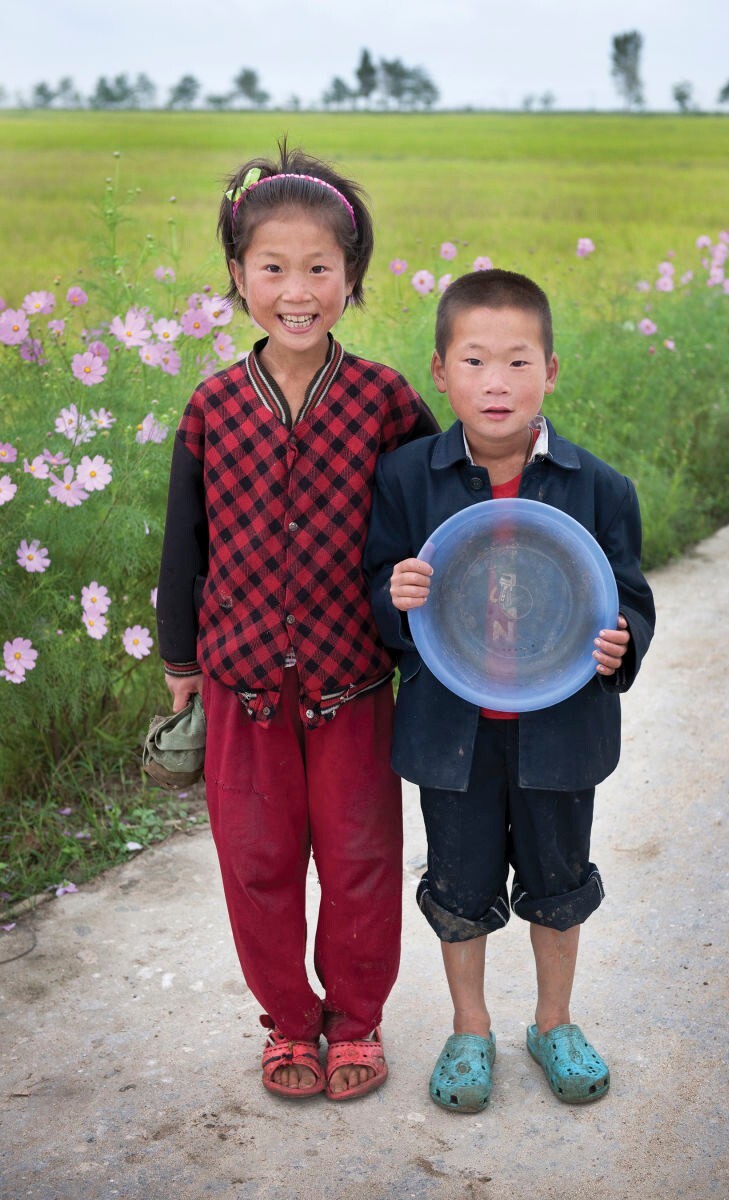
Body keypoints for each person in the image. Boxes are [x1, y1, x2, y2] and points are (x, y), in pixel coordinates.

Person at [156, 143, 438, 1102]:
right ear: (237, 278)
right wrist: (180, 659)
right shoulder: (212, 406)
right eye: (272, 267)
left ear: (351, 277)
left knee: (360, 860)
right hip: (241, 685)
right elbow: (182, 542)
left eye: (320, 267)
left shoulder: (387, 400)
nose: (297, 289)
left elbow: (432, 526)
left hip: (353, 681)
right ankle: (288, 1023)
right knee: (257, 862)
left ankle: (355, 1023)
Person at [364, 268, 655, 1113]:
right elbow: (379, 591)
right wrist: (398, 596)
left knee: (559, 879)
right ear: (441, 372)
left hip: (560, 731)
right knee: (460, 882)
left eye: (520, 362)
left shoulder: (598, 488)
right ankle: (469, 1027)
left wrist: (619, 643)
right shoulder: (405, 479)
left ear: (552, 373)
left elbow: (627, 596)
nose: (498, 383)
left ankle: (553, 1022)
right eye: (477, 361)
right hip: (453, 733)